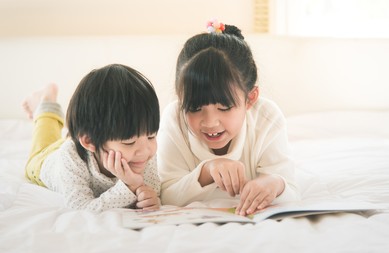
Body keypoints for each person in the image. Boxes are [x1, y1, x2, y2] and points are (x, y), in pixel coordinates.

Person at [157, 20, 300, 216]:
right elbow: (165, 195)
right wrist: (207, 171)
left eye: (224, 108)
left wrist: (275, 184)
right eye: (194, 107)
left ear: (250, 99)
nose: (210, 122)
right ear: (180, 97)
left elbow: (291, 190)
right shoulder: (174, 118)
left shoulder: (266, 117)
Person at [22, 64, 161, 212]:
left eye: (151, 136)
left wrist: (150, 198)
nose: (146, 150)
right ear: (89, 141)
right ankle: (45, 102)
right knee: (43, 141)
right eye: (129, 142)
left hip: (90, 144)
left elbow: (153, 190)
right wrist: (130, 186)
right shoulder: (70, 158)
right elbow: (81, 207)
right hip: (50, 159)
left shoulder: (142, 153)